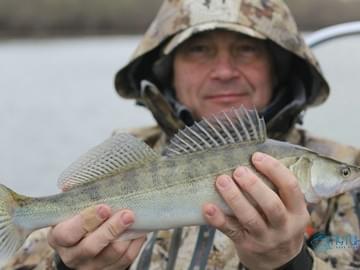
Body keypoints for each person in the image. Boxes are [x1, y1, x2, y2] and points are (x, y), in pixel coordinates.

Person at [4, 0, 360, 269]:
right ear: (166, 69)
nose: (224, 71)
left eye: (246, 49)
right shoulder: (129, 159)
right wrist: (67, 266)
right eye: (199, 50)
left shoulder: (350, 181)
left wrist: (290, 264)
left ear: (280, 67)